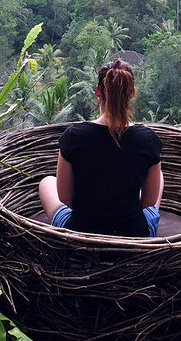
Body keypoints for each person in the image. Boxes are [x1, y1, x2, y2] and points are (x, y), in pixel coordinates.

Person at [38, 59, 164, 237]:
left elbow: (65, 198)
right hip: (134, 236)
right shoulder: (148, 140)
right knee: (158, 175)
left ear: (98, 91)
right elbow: (148, 203)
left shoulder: (74, 136)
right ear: (132, 93)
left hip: (81, 233)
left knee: (46, 183)